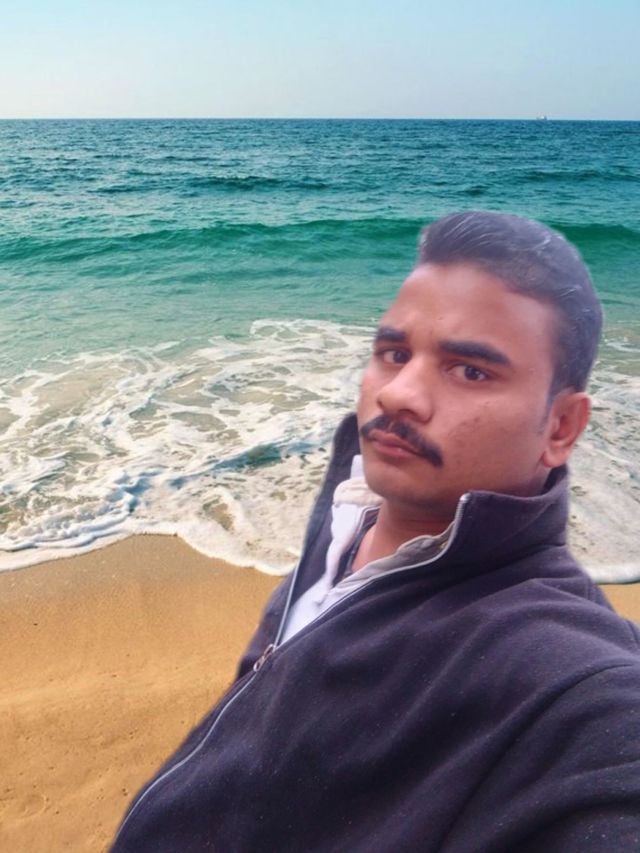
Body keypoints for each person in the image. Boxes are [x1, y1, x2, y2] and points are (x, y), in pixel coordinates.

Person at [112, 211, 640, 852]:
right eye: (395, 354)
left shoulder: (571, 683)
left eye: (471, 371)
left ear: (561, 427)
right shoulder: (348, 510)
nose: (399, 395)